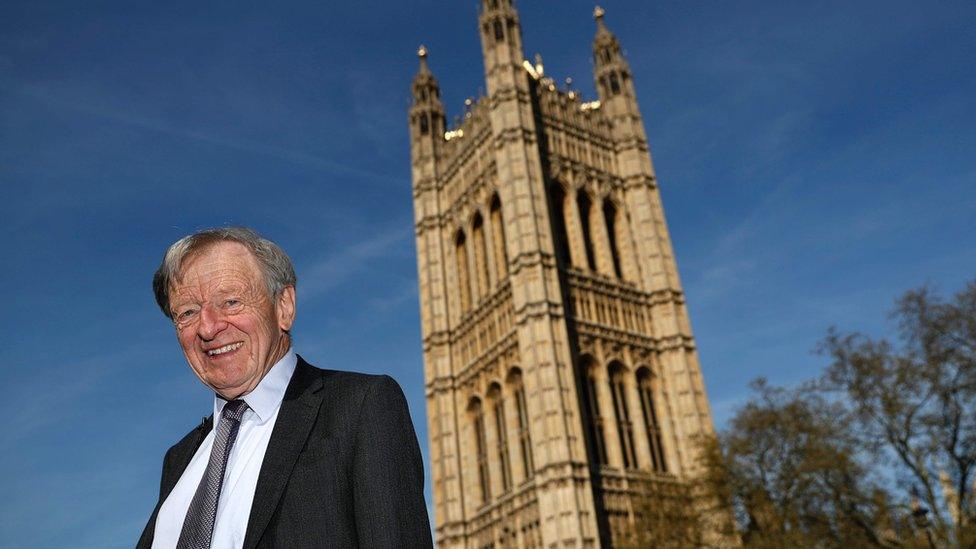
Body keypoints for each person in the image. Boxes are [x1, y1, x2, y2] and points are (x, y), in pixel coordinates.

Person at [137, 227, 432, 548]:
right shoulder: (179, 459)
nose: (208, 327)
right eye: (188, 312)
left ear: (284, 307)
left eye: (231, 301)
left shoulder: (360, 407)